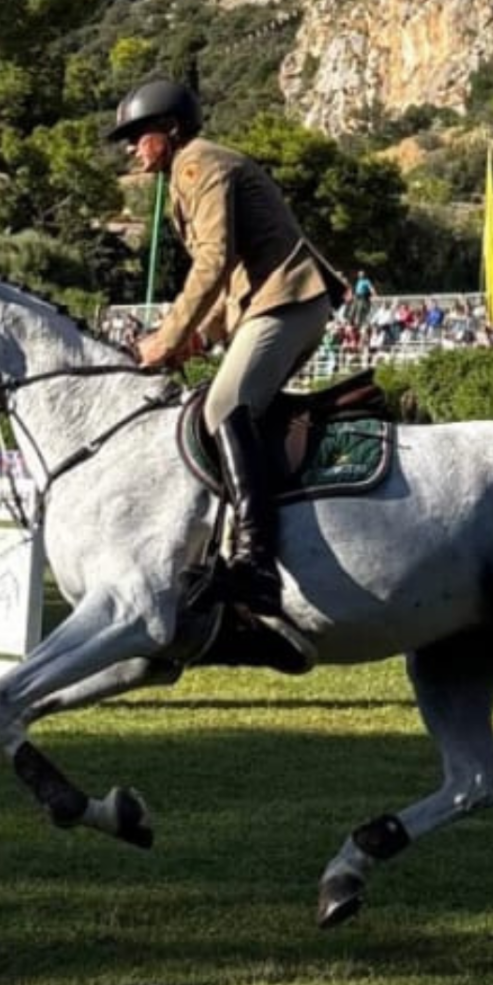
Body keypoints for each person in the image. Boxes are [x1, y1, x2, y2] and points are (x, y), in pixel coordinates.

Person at [109, 78, 346, 640]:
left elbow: (213, 262)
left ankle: (256, 565)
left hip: (289, 300)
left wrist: (167, 336)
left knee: (222, 408)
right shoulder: (188, 173)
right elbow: (233, 278)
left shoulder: (199, 166)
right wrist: (196, 338)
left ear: (168, 131)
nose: (130, 148)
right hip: (268, 301)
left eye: (138, 135)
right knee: (223, 410)